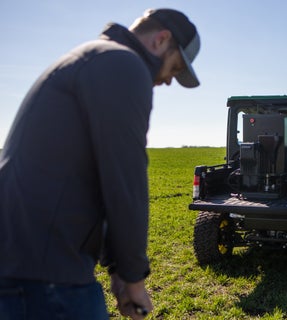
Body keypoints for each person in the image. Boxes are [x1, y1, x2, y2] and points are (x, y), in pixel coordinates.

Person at [0, 8, 200, 320]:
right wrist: (133, 277)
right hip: (48, 274)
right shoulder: (123, 65)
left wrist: (117, 270)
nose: (168, 81)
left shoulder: (91, 56)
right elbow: (125, 180)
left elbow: (99, 178)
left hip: (26, 262)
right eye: (174, 69)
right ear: (162, 40)